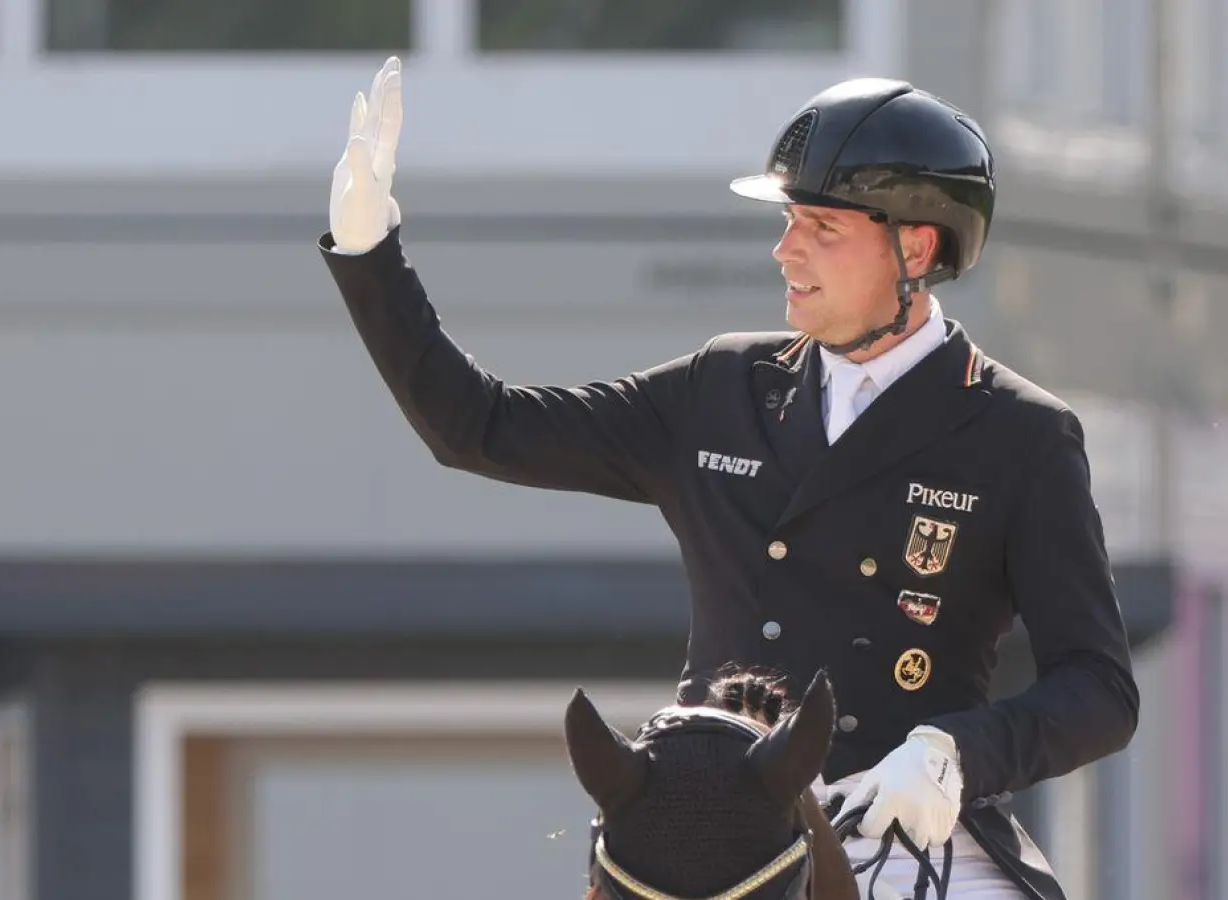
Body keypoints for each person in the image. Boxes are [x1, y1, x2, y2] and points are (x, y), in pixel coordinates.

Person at [318, 57, 1139, 900]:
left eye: (821, 229)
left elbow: (1100, 690)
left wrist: (956, 754)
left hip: (906, 822)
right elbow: (478, 427)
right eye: (789, 222)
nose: (785, 251)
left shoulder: (1019, 434)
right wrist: (369, 250)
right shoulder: (722, 387)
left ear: (915, 247)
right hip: (709, 823)